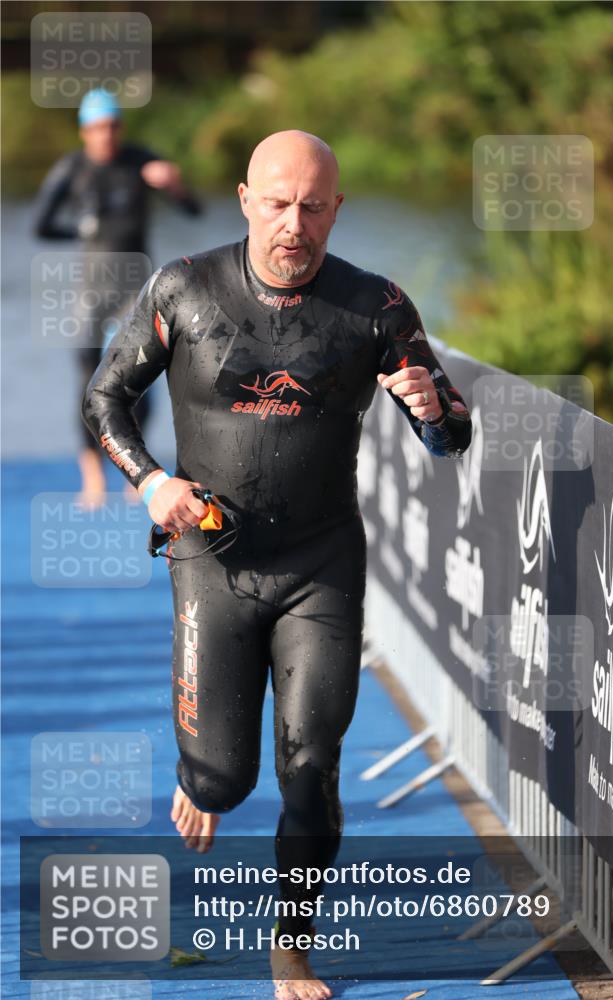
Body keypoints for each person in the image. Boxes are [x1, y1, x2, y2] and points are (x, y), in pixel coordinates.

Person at [82, 130, 471, 1000]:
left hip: (319, 564)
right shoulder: (182, 287)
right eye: (277, 202)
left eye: (313, 206)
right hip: (209, 557)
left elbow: (449, 439)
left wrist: (434, 408)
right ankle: (202, 775)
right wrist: (148, 484)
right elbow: (105, 396)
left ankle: (290, 945)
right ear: (247, 198)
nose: (293, 223)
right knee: (224, 777)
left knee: (312, 769)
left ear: (336, 208)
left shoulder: (376, 306)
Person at [34, 88, 201, 507]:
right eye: (96, 128)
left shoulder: (141, 161)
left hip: (136, 291)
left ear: (120, 128)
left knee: (139, 384)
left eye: (111, 126)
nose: (105, 135)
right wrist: (81, 231)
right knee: (88, 384)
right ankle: (92, 479)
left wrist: (176, 186)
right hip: (92, 291)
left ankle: (135, 472)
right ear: (84, 131)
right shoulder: (72, 169)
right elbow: (41, 226)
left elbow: (194, 211)